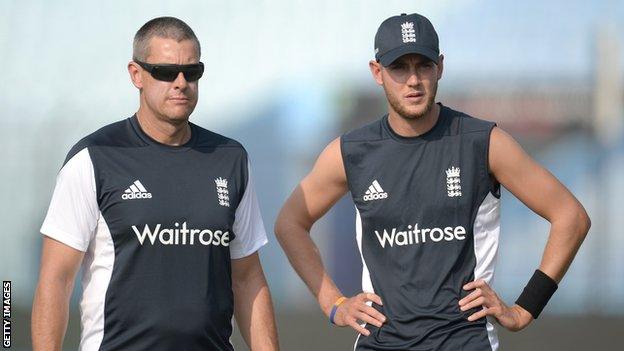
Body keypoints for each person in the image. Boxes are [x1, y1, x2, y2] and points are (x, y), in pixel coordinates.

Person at [274, 12, 590, 350]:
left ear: (439, 66)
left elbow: (571, 217)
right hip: (380, 343)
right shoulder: (350, 151)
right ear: (377, 72)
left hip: (465, 342)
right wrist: (333, 303)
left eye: (423, 65)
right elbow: (290, 223)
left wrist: (525, 308)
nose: (413, 80)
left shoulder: (483, 143)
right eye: (399, 67)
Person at [32, 16, 279, 351]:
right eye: (165, 72)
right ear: (137, 75)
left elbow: (248, 277)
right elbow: (55, 279)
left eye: (192, 73)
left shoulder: (230, 157)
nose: (180, 83)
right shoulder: (95, 157)